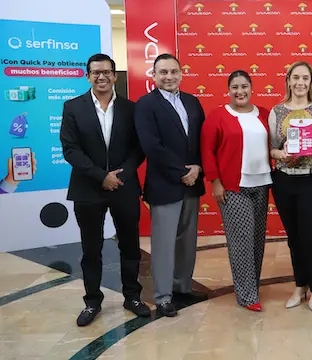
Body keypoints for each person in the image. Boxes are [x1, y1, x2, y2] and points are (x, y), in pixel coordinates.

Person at [60, 53, 150, 326]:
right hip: (88, 188)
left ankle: (132, 296)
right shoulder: (73, 107)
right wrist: (101, 176)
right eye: (95, 72)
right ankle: (92, 301)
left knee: (130, 246)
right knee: (91, 248)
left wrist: (120, 174)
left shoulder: (131, 108)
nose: (101, 76)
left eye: (106, 72)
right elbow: (70, 149)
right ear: (87, 76)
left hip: (123, 186)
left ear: (114, 76)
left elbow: (139, 148)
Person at [135, 53, 207, 317]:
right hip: (165, 184)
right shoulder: (145, 104)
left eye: (173, 71)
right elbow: (151, 146)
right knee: (164, 243)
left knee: (187, 241)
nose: (169, 77)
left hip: (192, 181)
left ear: (181, 73)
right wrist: (181, 172)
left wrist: (198, 167)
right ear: (154, 76)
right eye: (163, 72)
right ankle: (163, 296)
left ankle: (182, 288)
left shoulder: (192, 101)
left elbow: (202, 139)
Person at [200, 70, 271, 312]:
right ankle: (247, 295)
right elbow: (207, 151)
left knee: (257, 241)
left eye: (244, 86)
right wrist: (215, 181)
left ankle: (252, 285)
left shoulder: (264, 113)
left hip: (262, 184)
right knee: (241, 241)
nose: (240, 91)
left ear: (252, 88)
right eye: (235, 87)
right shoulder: (218, 116)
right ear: (228, 90)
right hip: (233, 187)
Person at [269, 61, 312, 311]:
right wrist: (279, 155)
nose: (300, 83)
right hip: (284, 180)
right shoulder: (276, 111)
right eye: (295, 77)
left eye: (305, 78)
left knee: (309, 237)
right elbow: (272, 148)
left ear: (311, 81)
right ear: (288, 80)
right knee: (293, 238)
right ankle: (300, 286)